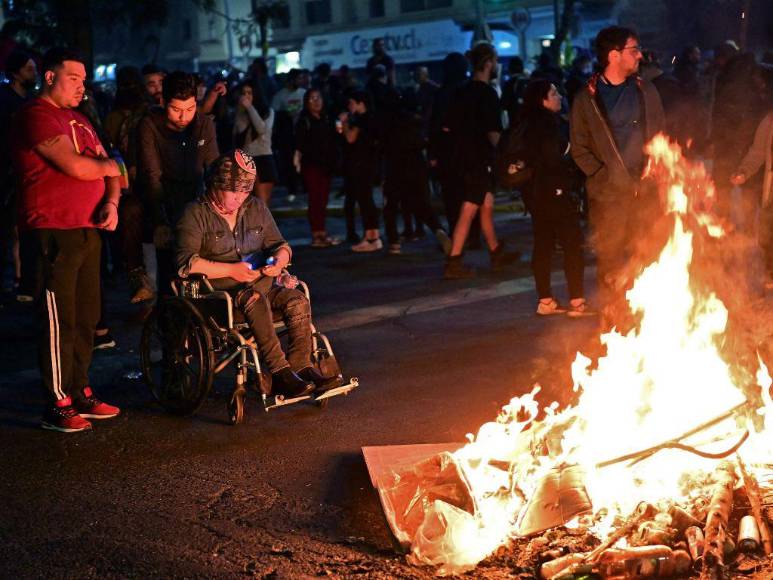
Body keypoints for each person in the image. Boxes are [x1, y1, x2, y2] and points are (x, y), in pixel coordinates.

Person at [11, 47, 123, 432]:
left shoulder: (80, 120)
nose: (82, 87)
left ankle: (80, 390)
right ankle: (58, 402)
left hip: (88, 228)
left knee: (86, 317)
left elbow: (115, 172)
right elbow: (76, 166)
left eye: (84, 80)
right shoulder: (36, 115)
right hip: (51, 230)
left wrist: (111, 201)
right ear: (50, 76)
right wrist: (107, 167)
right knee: (58, 319)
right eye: (74, 78)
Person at [176, 150, 335, 397]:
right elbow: (187, 263)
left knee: (296, 300)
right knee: (253, 299)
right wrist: (231, 270)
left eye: (245, 192)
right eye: (234, 192)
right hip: (222, 296)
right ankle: (279, 372)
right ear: (217, 186)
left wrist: (279, 261)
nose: (240, 198)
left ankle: (301, 367)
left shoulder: (256, 208)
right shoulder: (196, 213)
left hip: (263, 284)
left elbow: (280, 245)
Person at [570, 26, 665, 323]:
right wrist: (601, 176)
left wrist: (656, 168)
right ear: (614, 55)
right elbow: (579, 147)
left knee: (648, 252)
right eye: (633, 50)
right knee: (611, 258)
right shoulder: (587, 98)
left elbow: (661, 134)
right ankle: (612, 322)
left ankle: (649, 320)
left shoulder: (644, 89)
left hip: (645, 189)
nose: (639, 55)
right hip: (609, 194)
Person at [137, 71, 219, 296]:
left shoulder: (203, 124)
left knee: (201, 274)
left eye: (190, 109)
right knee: (169, 274)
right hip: (164, 200)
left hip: (196, 201)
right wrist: (160, 222)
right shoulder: (149, 125)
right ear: (163, 101)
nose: (184, 117)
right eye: (176, 109)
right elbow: (151, 175)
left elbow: (213, 168)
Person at [443, 43, 515, 279]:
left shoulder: (460, 92)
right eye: (494, 61)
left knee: (486, 204)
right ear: (487, 63)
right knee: (470, 208)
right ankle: (454, 261)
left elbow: (448, 126)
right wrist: (508, 155)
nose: (496, 66)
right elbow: (493, 133)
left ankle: (495, 251)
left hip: (461, 157)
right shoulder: (487, 94)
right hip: (479, 160)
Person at [520, 80, 590, 317]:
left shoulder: (526, 125)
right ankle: (577, 302)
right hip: (556, 192)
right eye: (554, 93)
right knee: (572, 243)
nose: (559, 96)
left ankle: (545, 300)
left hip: (536, 195)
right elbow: (555, 160)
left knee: (543, 245)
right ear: (543, 100)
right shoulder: (550, 126)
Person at [103, 65, 154, 303]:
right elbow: (108, 149)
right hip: (129, 185)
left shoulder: (151, 113)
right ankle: (139, 283)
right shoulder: (116, 117)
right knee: (132, 226)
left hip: (150, 181)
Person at [381, 97, 451, 256]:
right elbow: (424, 142)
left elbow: (385, 148)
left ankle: (394, 242)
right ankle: (438, 229)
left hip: (396, 168)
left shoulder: (390, 126)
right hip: (417, 167)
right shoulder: (415, 124)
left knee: (390, 206)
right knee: (422, 205)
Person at [0, 49, 36, 300]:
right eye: (28, 69)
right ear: (16, 73)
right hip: (7, 171)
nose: (32, 73)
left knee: (20, 226)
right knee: (8, 227)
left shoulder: (29, 102)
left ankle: (22, 278)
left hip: (25, 171)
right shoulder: (5, 100)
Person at [731, 108, 773, 288]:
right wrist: (744, 171)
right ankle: (771, 273)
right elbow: (757, 152)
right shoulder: (770, 121)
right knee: (768, 231)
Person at [294, 88, 340, 247]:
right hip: (312, 165)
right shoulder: (304, 120)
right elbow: (299, 143)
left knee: (323, 199)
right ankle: (316, 234)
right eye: (312, 98)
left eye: (318, 97)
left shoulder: (327, 118)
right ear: (307, 102)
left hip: (326, 164)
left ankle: (322, 232)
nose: (316, 101)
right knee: (315, 199)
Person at [339, 90, 382, 251]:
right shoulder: (371, 118)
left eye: (352, 103)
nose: (349, 106)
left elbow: (350, 138)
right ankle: (371, 236)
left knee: (365, 200)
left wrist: (344, 122)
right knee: (366, 200)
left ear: (360, 103)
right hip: (369, 163)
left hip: (361, 164)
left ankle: (372, 238)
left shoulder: (359, 119)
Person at [233, 81, 277, 205]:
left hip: (263, 158)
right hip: (245, 161)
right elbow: (240, 132)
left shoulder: (268, 112)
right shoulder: (240, 113)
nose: (246, 96)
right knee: (245, 206)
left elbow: (261, 129)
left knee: (262, 206)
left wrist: (250, 108)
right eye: (244, 93)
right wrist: (242, 110)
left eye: (249, 93)